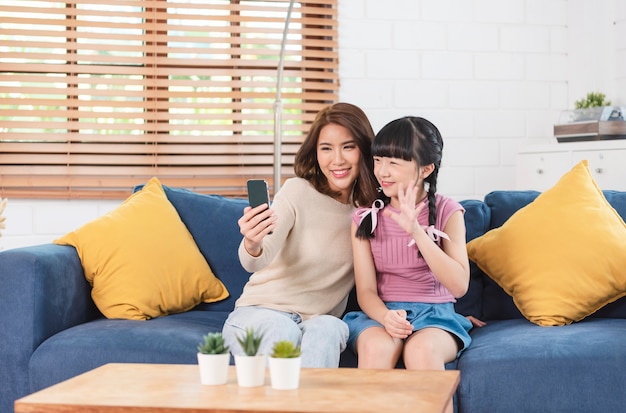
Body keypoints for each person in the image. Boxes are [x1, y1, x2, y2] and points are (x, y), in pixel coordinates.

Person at [222, 102, 379, 368]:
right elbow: (256, 260)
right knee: (284, 332)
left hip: (317, 320)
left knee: (330, 328)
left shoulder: (370, 211)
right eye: (326, 148)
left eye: (348, 147)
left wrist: (440, 312)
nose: (337, 159)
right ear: (315, 153)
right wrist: (252, 241)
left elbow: (398, 268)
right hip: (261, 313)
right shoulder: (297, 191)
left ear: (364, 149)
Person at [343, 116, 477, 384]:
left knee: (421, 351)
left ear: (425, 169)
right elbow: (366, 290)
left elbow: (459, 285)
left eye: (394, 162)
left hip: (436, 315)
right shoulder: (365, 218)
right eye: (378, 160)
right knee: (376, 348)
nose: (382, 171)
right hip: (382, 313)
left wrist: (416, 231)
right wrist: (385, 317)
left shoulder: (448, 212)